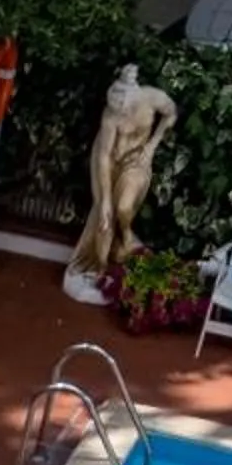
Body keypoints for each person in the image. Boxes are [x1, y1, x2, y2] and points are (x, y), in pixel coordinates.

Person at [65, 67, 178, 302]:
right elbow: (104, 156)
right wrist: (105, 198)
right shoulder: (110, 116)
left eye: (123, 108)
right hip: (108, 161)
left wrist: (151, 147)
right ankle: (97, 267)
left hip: (137, 160)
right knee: (104, 215)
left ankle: (126, 235)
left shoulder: (152, 98)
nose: (120, 113)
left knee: (124, 207)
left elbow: (171, 113)